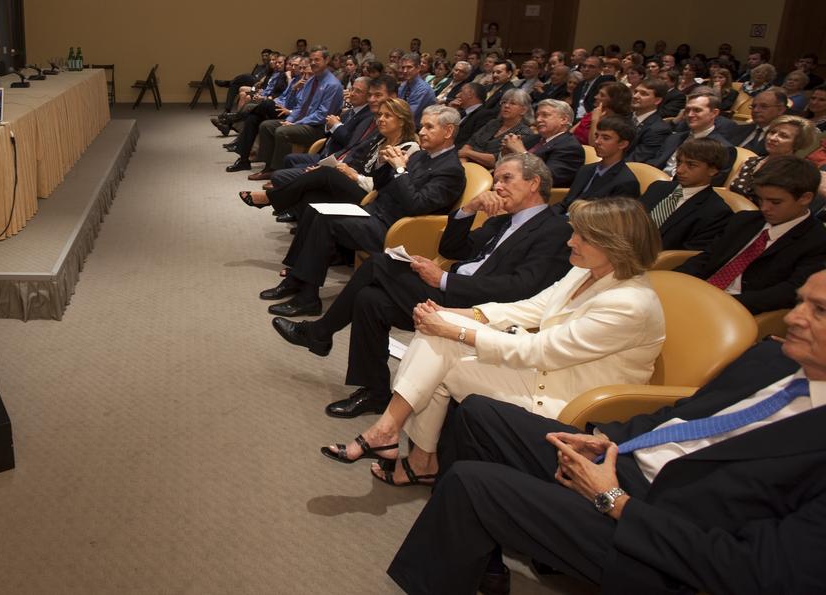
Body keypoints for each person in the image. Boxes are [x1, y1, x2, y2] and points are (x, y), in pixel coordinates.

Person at [389, 270, 826, 595]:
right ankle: (485, 562)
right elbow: (683, 415)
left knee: (471, 485)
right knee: (483, 415)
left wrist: (616, 502)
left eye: (818, 310)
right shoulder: (774, 362)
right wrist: (607, 437)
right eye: (801, 301)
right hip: (628, 462)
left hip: (665, 532)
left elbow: (762, 573)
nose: (794, 317)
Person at [319, 197, 664, 492]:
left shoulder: (631, 303)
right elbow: (532, 308)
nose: (571, 241)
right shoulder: (587, 270)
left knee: (443, 341)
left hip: (570, 394)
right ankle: (397, 440)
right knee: (439, 335)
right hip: (542, 370)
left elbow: (541, 349)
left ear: (614, 245)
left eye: (582, 236)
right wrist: (454, 313)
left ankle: (400, 443)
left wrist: (456, 329)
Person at [274, 154, 573, 418]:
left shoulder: (554, 229)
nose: (498, 187)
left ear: (534, 184)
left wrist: (441, 279)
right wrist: (469, 209)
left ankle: (319, 333)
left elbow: (520, 289)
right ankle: (375, 392)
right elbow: (455, 249)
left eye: (507, 179)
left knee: (378, 264)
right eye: (496, 180)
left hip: (477, 310)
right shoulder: (503, 220)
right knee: (370, 299)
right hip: (453, 287)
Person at [261, 106, 466, 317]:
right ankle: (295, 279)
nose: (421, 132)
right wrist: (384, 163)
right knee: (315, 210)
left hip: (396, 228)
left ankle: (307, 299)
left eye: (429, 127)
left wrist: (400, 169)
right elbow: (380, 184)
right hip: (375, 211)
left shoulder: (451, 170)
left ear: (448, 131)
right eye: (422, 126)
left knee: (325, 221)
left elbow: (416, 205)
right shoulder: (422, 156)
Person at [678, 156, 826, 313]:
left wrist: (720, 303)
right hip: (700, 292)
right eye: (760, 199)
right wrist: (674, 280)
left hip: (740, 311)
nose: (764, 208)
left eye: (775, 202)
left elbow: (788, 292)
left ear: (805, 198)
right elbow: (707, 258)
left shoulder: (817, 241)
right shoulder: (744, 220)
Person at [240, 98, 412, 220]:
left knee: (326, 175)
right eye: (379, 115)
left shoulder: (407, 148)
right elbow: (355, 158)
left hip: (372, 197)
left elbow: (386, 187)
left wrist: (354, 176)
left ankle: (271, 198)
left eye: (387, 116)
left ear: (402, 121)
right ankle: (300, 261)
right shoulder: (379, 139)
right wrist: (340, 168)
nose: (380, 120)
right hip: (353, 182)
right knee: (312, 194)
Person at [247, 46, 345, 179]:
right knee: (266, 125)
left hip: (318, 127)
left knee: (283, 131)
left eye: (317, 59)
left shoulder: (332, 85)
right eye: (311, 60)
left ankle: (278, 171)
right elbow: (301, 105)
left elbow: (322, 115)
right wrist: (291, 119)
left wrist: (296, 123)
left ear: (327, 60)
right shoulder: (311, 80)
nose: (313, 63)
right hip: (303, 122)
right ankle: (268, 167)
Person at [639, 137, 733, 251]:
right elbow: (630, 219)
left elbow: (686, 254)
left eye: (691, 165)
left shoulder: (716, 212)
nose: (679, 170)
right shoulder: (658, 187)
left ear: (712, 170)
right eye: (679, 162)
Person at [729, 115, 822, 200]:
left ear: (797, 143)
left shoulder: (796, 174)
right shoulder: (750, 161)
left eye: (783, 136)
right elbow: (727, 191)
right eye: (772, 132)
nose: (773, 138)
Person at [558, 116, 639, 212]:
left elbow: (611, 220)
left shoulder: (626, 182)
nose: (597, 142)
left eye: (605, 138)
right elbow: (566, 203)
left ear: (622, 144)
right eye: (597, 136)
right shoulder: (585, 169)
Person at [499, 98, 584, 187]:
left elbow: (547, 179)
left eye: (545, 115)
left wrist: (521, 152)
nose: (538, 120)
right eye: (537, 116)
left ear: (563, 119)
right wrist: (506, 154)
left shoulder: (570, 147)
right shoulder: (532, 139)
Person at [648, 93, 735, 179]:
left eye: (697, 110)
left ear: (714, 113)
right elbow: (654, 164)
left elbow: (712, 184)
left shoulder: (723, 148)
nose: (690, 115)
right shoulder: (674, 138)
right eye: (687, 110)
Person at [459, 88, 535, 170]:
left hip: (488, 173)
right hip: (465, 164)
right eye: (504, 102)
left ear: (523, 110)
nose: (506, 106)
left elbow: (496, 160)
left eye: (512, 103)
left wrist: (468, 153)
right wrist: (463, 164)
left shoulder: (524, 133)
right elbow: (470, 143)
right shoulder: (493, 123)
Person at [730, 87, 791, 154]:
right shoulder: (740, 129)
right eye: (753, 106)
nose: (755, 110)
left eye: (764, 106)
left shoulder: (782, 139)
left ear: (780, 110)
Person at [571, 81, 631, 146]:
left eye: (602, 95)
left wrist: (595, 120)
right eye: (598, 93)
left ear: (614, 100)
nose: (596, 97)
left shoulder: (616, 122)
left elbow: (594, 144)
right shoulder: (595, 111)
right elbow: (571, 132)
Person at [627, 79, 672, 163]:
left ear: (657, 100)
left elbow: (636, 160)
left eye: (643, 94)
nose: (635, 96)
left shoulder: (658, 129)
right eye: (635, 91)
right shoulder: (623, 117)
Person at [395, 52, 436, 120]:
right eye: (403, 67)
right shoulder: (403, 85)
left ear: (418, 68)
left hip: (420, 128)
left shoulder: (423, 89)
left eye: (409, 67)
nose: (405, 71)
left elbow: (409, 115)